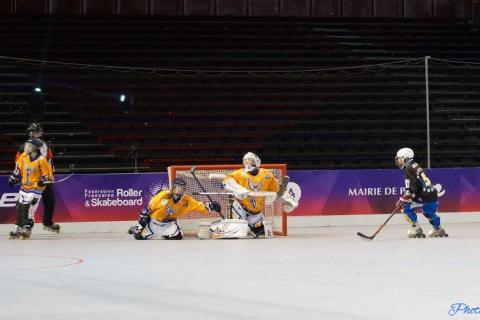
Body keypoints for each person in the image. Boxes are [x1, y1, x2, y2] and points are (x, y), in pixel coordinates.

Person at [222, 152, 298, 237]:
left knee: (262, 233)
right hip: (239, 208)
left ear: (257, 161)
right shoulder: (239, 173)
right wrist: (238, 189)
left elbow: (277, 192)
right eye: (246, 161)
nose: (249, 163)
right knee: (237, 232)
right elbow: (225, 182)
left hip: (255, 212)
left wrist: (288, 200)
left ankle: (250, 227)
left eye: (251, 161)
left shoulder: (267, 175)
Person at [128, 177, 221, 240]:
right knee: (138, 236)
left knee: (178, 236)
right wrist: (142, 221)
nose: (180, 189)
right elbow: (148, 208)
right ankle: (135, 228)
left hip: (168, 223)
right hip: (154, 221)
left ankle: (163, 234)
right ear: (173, 187)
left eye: (182, 187)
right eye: (178, 187)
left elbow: (199, 206)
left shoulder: (186, 200)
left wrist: (211, 206)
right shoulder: (163, 195)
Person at [16, 123, 60, 233]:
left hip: (44, 179)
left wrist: (50, 176)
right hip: (31, 181)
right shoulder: (24, 147)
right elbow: (18, 163)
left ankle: (48, 223)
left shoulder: (45, 144)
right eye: (36, 132)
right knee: (25, 203)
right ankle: (22, 226)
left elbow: (49, 160)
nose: (39, 134)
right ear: (30, 133)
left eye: (40, 132)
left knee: (50, 200)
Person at [395, 147, 448, 238]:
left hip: (422, 197)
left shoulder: (408, 169)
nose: (398, 161)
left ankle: (417, 230)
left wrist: (404, 199)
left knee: (405, 208)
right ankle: (438, 229)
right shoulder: (415, 165)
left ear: (405, 158)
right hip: (432, 196)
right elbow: (418, 185)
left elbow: (412, 189)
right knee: (429, 212)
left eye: (399, 158)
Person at [8, 139, 53, 239]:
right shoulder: (24, 156)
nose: (25, 147)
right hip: (24, 187)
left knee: (28, 208)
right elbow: (18, 169)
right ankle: (18, 229)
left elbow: (47, 175)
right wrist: (12, 178)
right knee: (19, 207)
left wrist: (43, 180)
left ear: (35, 148)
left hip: (36, 188)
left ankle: (27, 228)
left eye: (28, 146)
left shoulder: (41, 160)